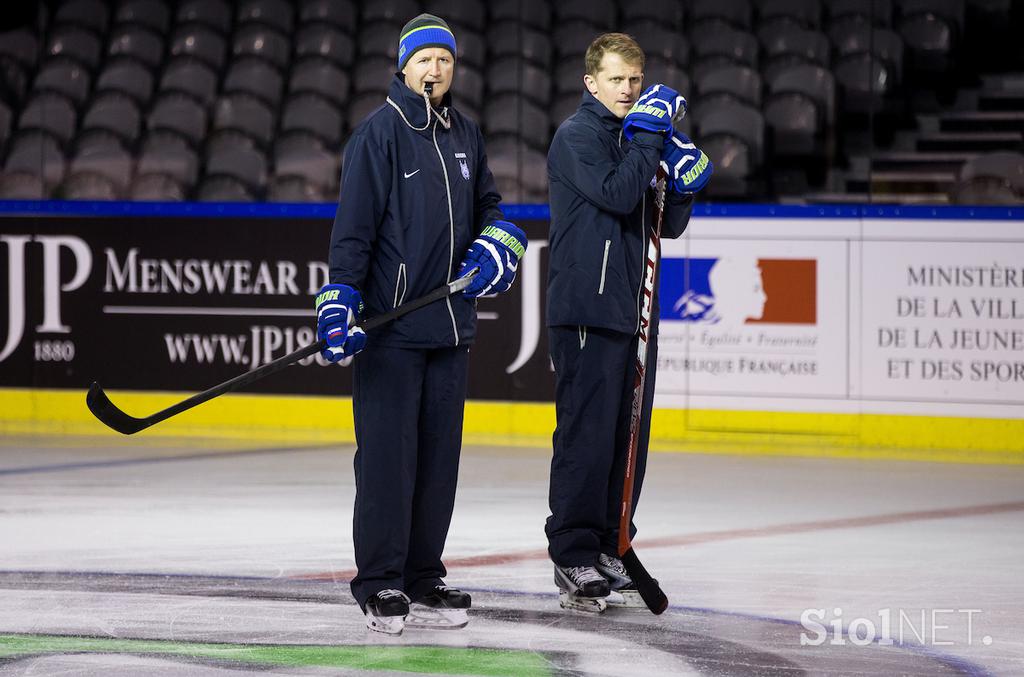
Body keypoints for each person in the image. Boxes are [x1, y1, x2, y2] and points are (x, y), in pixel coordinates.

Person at [315, 13, 527, 635]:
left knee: (439, 461)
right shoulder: (377, 136)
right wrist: (340, 297)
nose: (436, 69)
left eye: (445, 59)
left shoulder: (466, 134)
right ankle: (379, 581)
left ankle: (422, 577)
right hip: (392, 331)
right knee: (387, 462)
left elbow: (490, 206)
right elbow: (353, 232)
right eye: (425, 59)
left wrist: (498, 243)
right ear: (403, 67)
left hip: (452, 328)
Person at [545, 32, 713, 613]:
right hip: (587, 309)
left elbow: (661, 225)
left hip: (634, 311)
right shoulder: (579, 137)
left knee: (627, 439)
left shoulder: (635, 140)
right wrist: (647, 142)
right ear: (591, 83)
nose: (628, 90)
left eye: (636, 81)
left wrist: (683, 187)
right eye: (617, 80)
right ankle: (571, 551)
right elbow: (618, 196)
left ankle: (610, 543)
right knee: (585, 437)